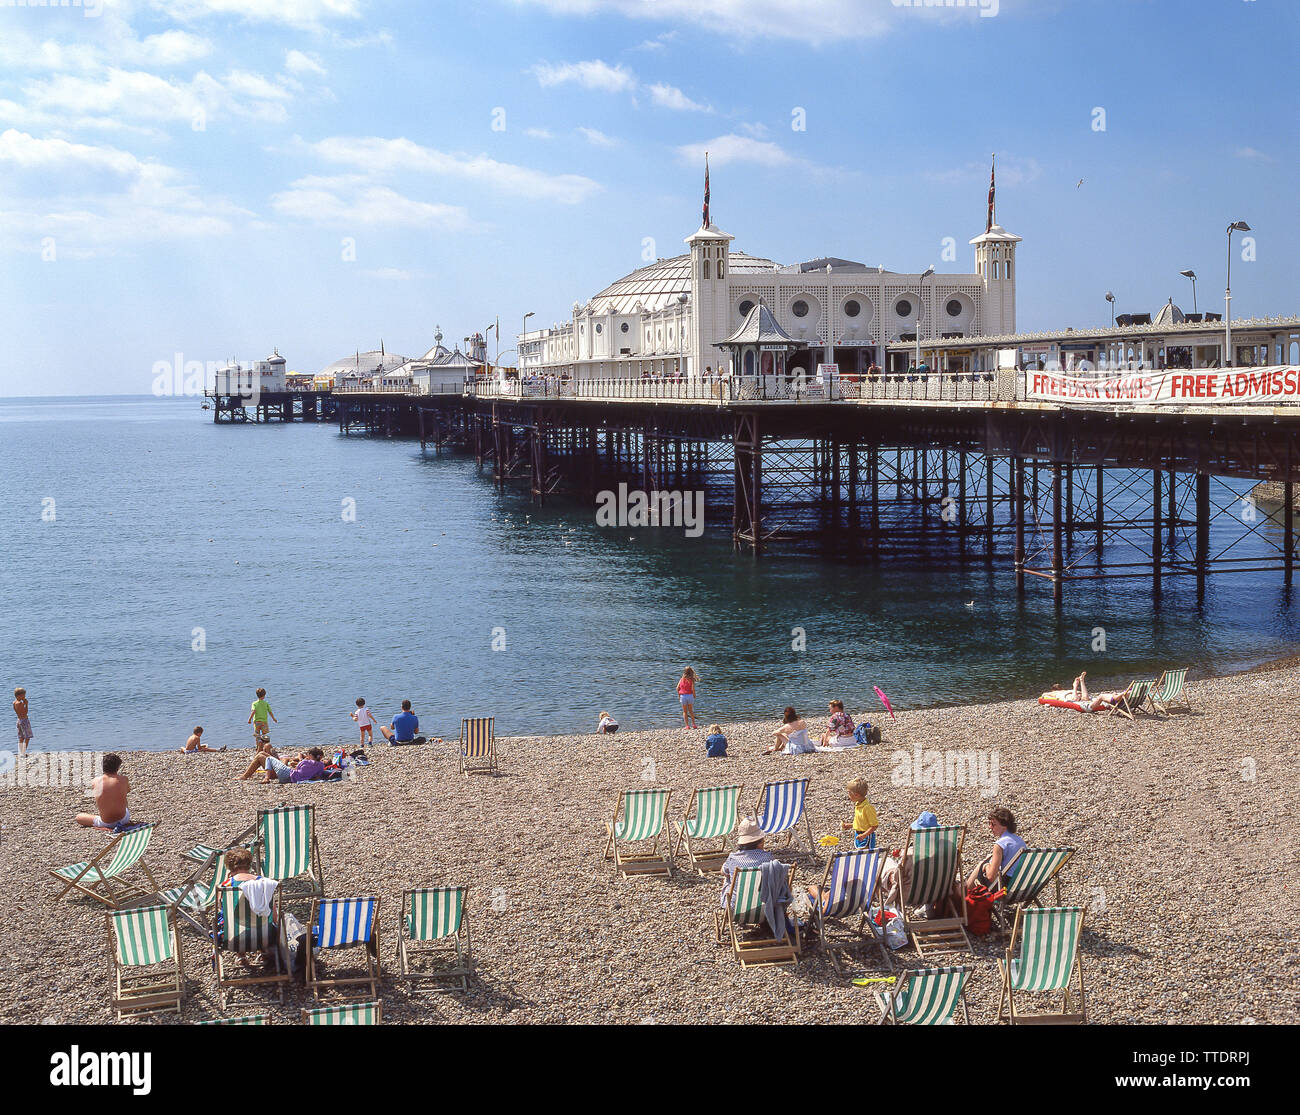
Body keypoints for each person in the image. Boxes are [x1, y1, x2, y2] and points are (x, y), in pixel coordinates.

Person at [966, 807, 1026, 892]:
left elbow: (991, 877)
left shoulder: (1000, 844)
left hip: (1004, 889)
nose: (990, 827)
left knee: (982, 864)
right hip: (1020, 887)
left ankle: (964, 895)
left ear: (1004, 826)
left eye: (993, 824)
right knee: (988, 859)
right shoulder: (1020, 841)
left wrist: (985, 866)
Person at [719, 819, 776, 907]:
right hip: (765, 908)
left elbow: (723, 872)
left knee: (727, 876)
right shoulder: (768, 858)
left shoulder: (733, 858)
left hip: (735, 908)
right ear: (760, 843)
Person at [76, 753, 131, 829]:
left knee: (79, 817)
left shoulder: (95, 781)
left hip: (107, 823)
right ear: (118, 767)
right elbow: (127, 791)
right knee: (122, 795)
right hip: (124, 819)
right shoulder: (124, 779)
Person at [841, 776, 879, 850]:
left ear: (856, 795)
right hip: (858, 834)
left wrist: (864, 835)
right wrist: (851, 825)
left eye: (849, 793)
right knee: (859, 854)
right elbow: (863, 823)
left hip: (866, 836)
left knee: (865, 855)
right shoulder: (858, 805)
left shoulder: (867, 808)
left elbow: (874, 826)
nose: (848, 796)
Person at [13, 686, 32, 757]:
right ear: (19, 695)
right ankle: (23, 753)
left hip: (19, 720)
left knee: (21, 737)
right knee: (27, 737)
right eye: (24, 695)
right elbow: (25, 713)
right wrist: (26, 704)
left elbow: (17, 712)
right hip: (24, 720)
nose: (24, 697)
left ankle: (20, 752)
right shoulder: (20, 703)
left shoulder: (14, 702)